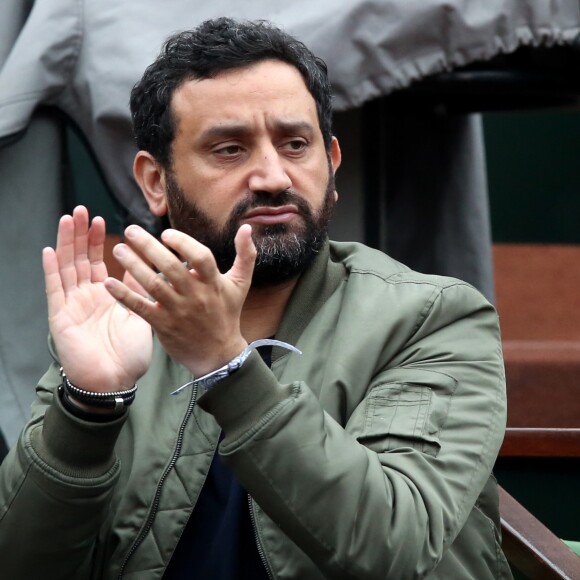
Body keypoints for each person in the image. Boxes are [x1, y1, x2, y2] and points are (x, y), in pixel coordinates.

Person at [0, 17, 511, 579]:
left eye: (296, 144)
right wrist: (88, 406)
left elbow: (396, 546)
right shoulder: (119, 326)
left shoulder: (427, 318)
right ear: (155, 182)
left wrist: (228, 366)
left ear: (331, 165)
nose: (272, 176)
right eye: (229, 149)